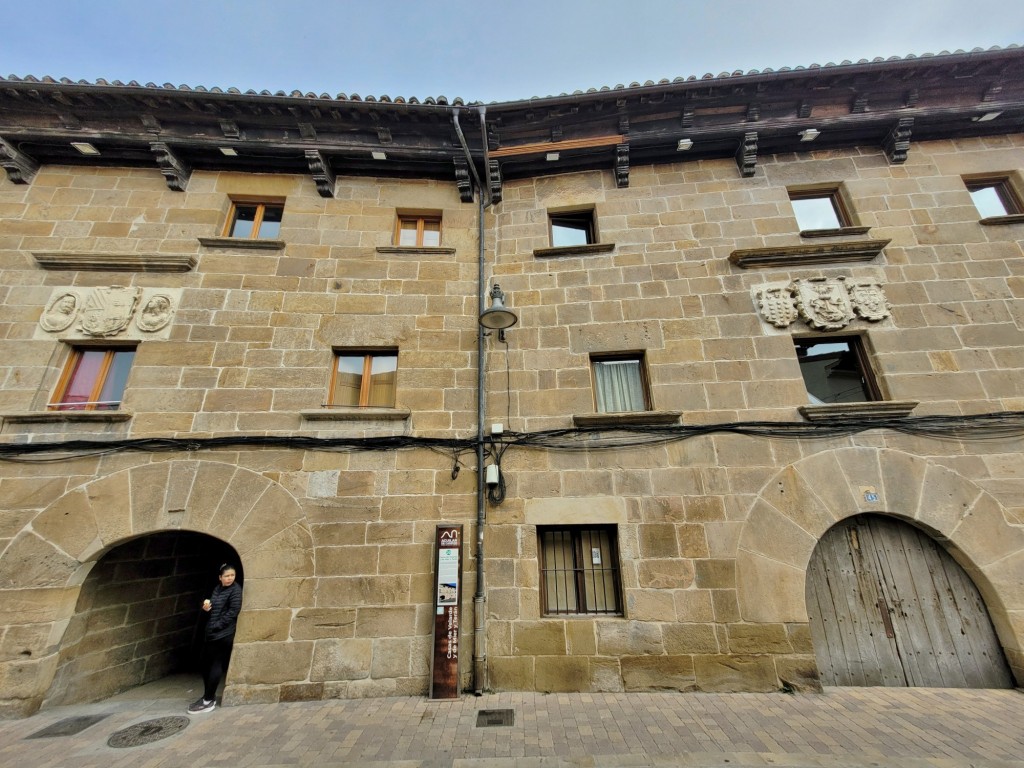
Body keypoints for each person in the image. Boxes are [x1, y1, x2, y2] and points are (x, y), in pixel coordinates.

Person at [188, 563, 242, 714]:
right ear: (220, 577)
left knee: (215, 664)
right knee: (206, 664)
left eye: (232, 575)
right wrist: (205, 608)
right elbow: (214, 608)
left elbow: (233, 612)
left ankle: (209, 700)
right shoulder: (217, 589)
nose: (230, 578)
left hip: (223, 633)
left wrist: (217, 625)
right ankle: (207, 696)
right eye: (226, 576)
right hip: (211, 632)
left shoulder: (235, 591)